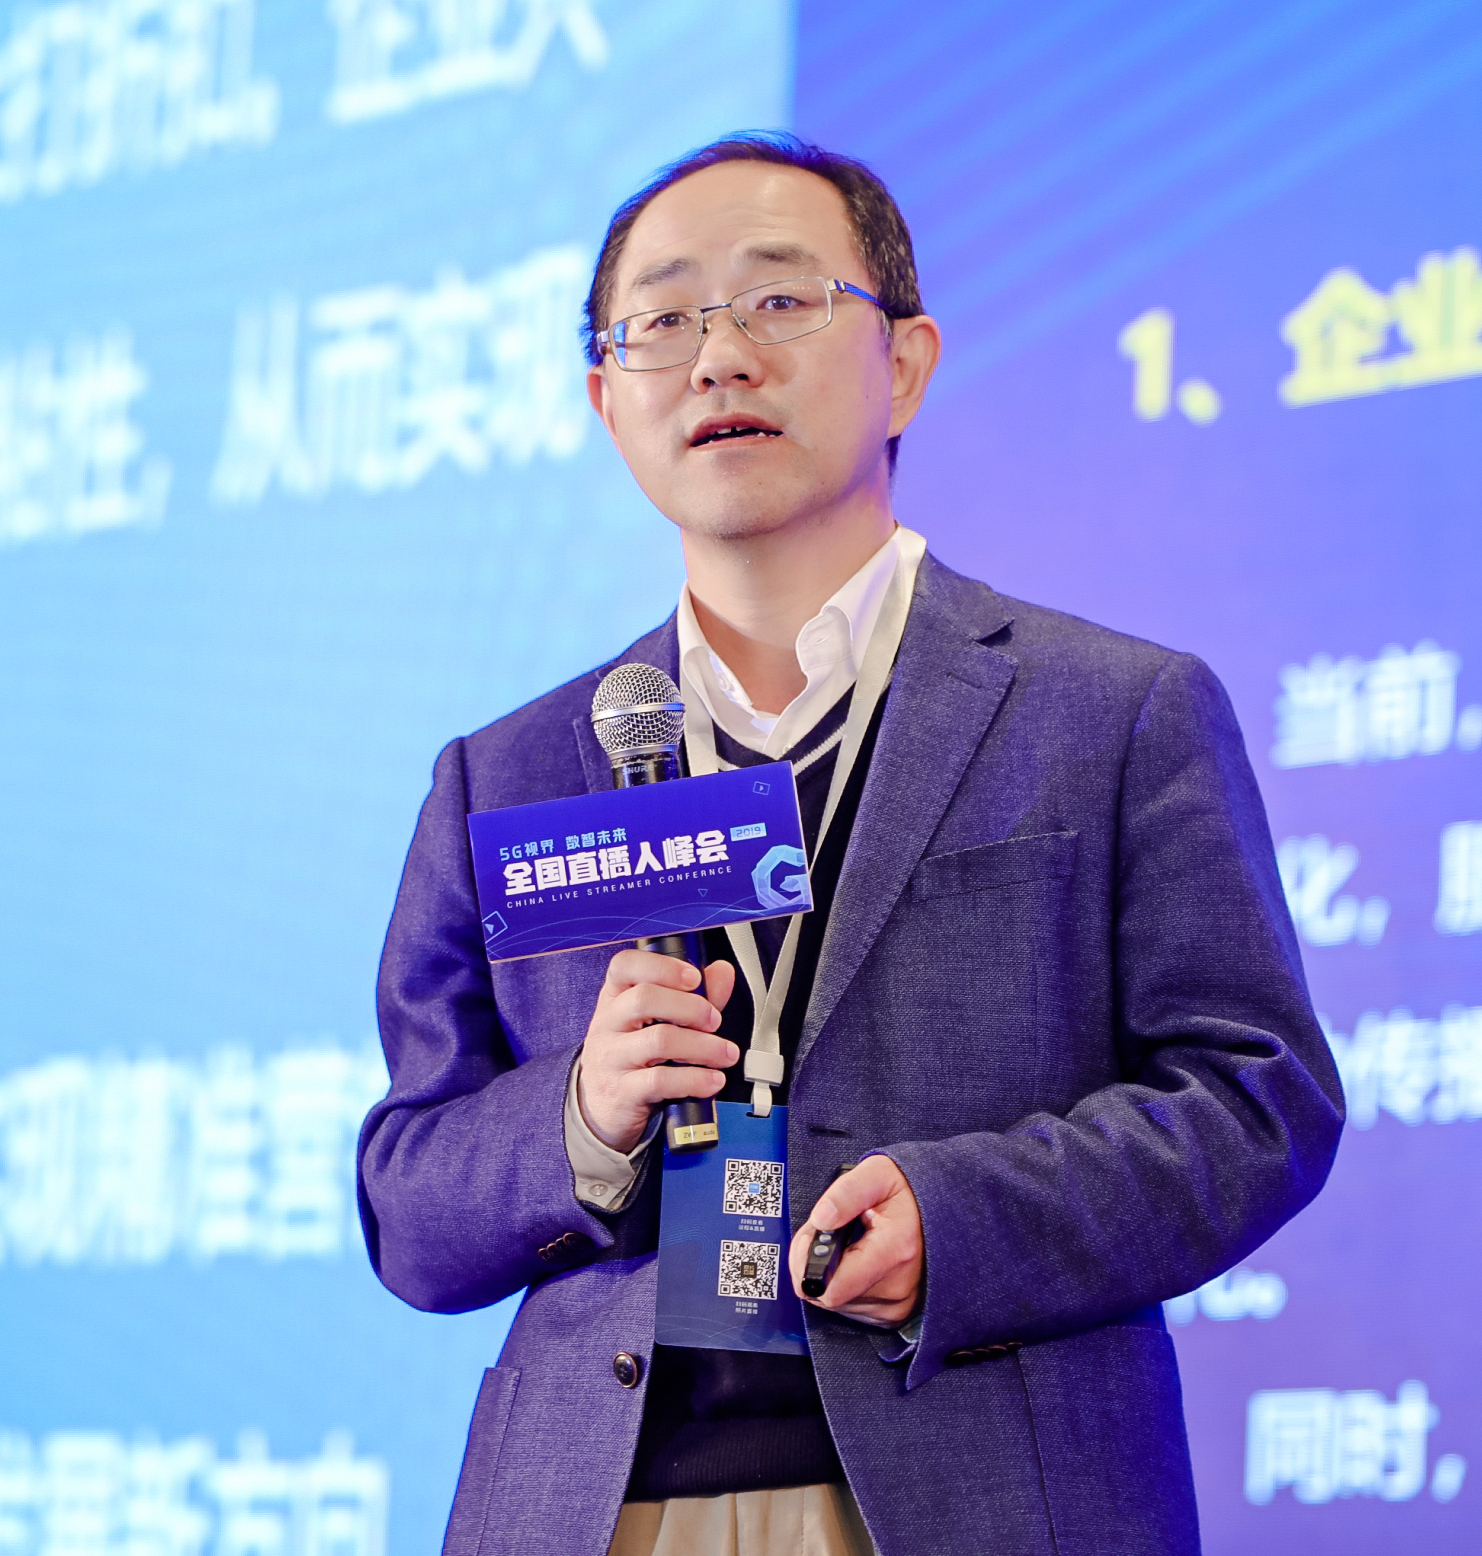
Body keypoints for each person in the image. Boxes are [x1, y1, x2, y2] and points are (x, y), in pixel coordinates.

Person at [361, 133, 1342, 1556]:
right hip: (595, 1512)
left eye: (779, 299)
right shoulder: (508, 775)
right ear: (606, 399)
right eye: (661, 321)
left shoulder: (1109, 713)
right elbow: (409, 1206)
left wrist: (966, 1219)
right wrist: (580, 1115)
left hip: (985, 1495)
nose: (718, 357)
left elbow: (1258, 1102)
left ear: (907, 363)